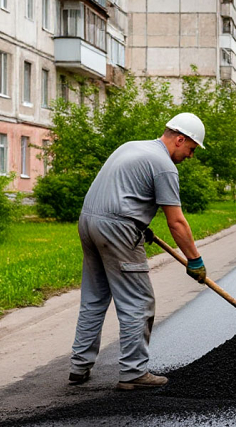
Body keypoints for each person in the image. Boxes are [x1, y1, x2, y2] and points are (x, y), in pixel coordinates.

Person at [68, 113, 208, 390]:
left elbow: (120, 192)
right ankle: (133, 373)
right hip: (117, 229)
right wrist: (195, 260)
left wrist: (139, 224)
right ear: (180, 139)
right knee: (138, 302)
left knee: (94, 298)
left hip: (88, 222)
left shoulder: (131, 146)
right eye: (191, 149)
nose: (190, 156)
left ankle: (79, 366)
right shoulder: (164, 165)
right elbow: (176, 222)